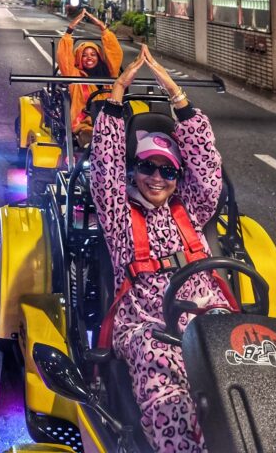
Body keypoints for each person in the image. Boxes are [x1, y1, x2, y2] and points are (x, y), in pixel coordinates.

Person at [90, 45, 232, 453]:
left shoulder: (191, 209)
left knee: (244, 376)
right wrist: (117, 91)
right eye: (147, 166)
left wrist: (178, 96)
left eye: (167, 170)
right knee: (171, 401)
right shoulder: (121, 215)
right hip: (149, 325)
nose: (156, 177)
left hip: (208, 317)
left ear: (177, 176)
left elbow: (206, 167)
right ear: (134, 169)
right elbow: (104, 167)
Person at [56, 9, 123, 145]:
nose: (89, 58)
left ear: (99, 57)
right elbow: (64, 58)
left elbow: (115, 54)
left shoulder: (109, 76)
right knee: (93, 139)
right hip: (85, 126)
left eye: (93, 54)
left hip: (110, 125)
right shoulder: (75, 77)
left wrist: (103, 29)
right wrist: (69, 31)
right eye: (84, 55)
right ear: (79, 58)